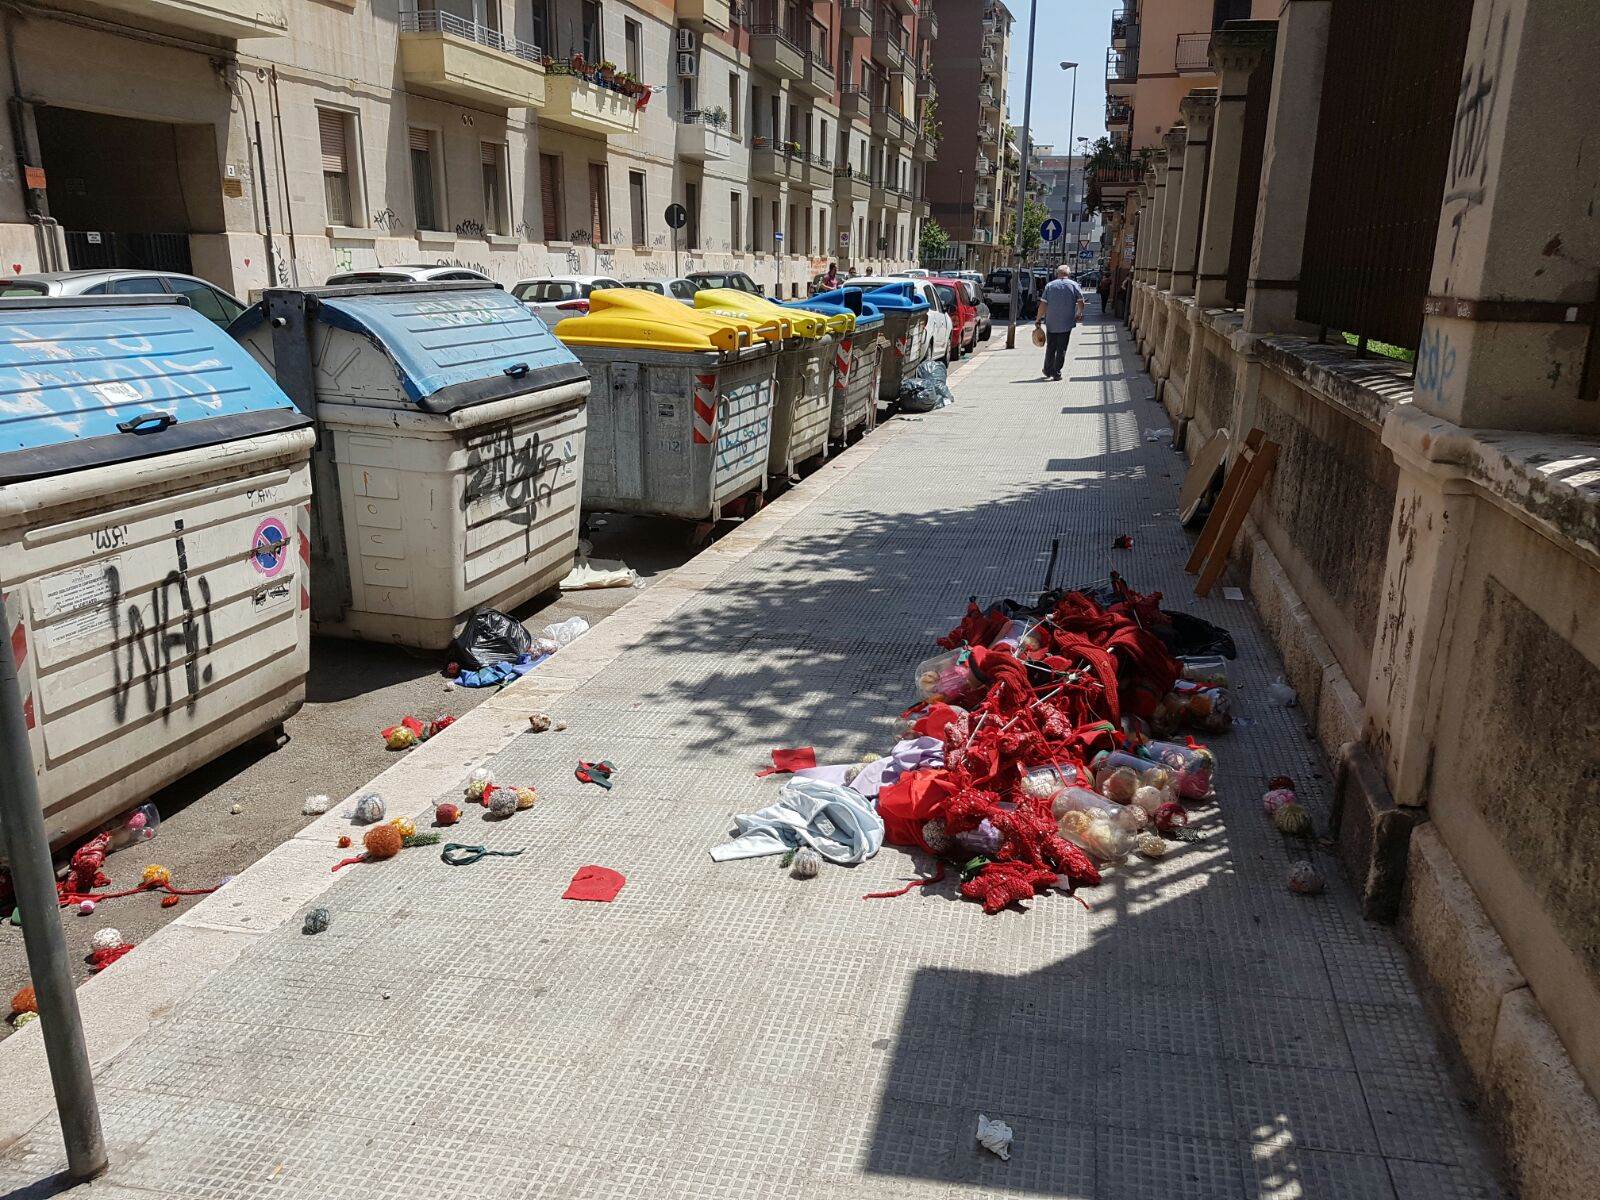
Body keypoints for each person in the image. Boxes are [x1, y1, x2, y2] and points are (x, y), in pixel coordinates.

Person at [1035, 264, 1086, 381]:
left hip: (1051, 322)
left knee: (1051, 346)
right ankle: (1056, 372)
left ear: (1057, 273)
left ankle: (1047, 370)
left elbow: (1043, 305)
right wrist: (1079, 313)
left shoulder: (1050, 286)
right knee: (1062, 348)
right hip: (1067, 322)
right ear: (1068, 274)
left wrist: (1038, 319)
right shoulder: (1074, 285)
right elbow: (1080, 301)